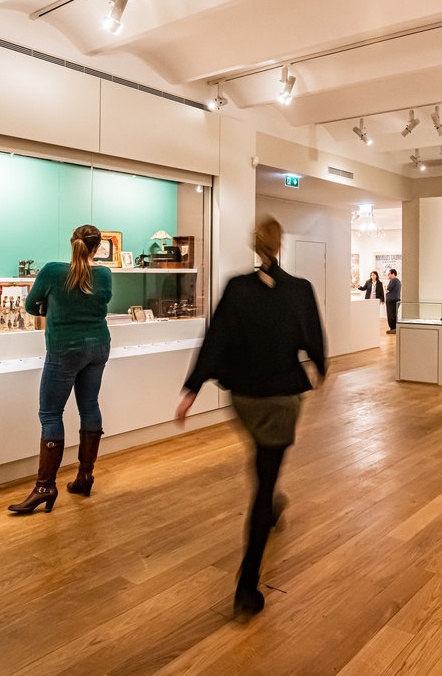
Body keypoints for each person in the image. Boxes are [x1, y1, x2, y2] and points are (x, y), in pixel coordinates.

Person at [175, 216, 326, 617]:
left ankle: (271, 501)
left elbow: (216, 339)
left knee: (262, 459)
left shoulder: (237, 288)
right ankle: (246, 586)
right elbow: (313, 339)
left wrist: (192, 389)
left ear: (254, 244)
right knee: (264, 479)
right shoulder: (299, 290)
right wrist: (320, 368)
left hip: (243, 399)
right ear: (280, 244)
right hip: (280, 400)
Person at [8, 224, 113, 514]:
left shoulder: (53, 271)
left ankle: (45, 487)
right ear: (97, 247)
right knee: (89, 406)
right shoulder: (104, 274)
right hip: (98, 346)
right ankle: (85, 476)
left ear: (72, 242)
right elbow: (99, 302)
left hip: (64, 349)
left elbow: (31, 306)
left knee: (51, 414)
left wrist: (50, 307)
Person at [384, 268, 401, 334]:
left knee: (391, 315)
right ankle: (395, 328)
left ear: (393, 274)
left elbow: (388, 289)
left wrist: (386, 289)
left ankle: (393, 328)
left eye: (389, 274)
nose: (388, 275)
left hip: (391, 300)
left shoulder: (393, 280)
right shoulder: (398, 281)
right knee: (394, 314)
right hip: (395, 299)